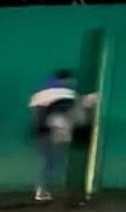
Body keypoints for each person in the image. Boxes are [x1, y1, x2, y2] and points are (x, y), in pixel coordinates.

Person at [29, 69, 98, 201]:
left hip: (41, 133)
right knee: (54, 162)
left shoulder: (40, 95)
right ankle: (43, 190)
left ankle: (42, 189)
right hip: (56, 133)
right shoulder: (68, 94)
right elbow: (76, 116)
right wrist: (86, 103)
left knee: (46, 162)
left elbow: (37, 115)